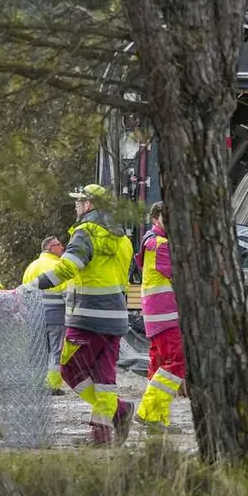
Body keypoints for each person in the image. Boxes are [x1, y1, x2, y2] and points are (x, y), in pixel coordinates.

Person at [30, 184, 135, 446]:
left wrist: (34, 285)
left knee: (69, 370)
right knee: (105, 379)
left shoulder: (85, 232)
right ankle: (101, 436)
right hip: (116, 318)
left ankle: (119, 410)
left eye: (79, 202)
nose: (76, 206)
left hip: (87, 318)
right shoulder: (123, 239)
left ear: (89, 205)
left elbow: (67, 268)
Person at [134, 202, 187, 434]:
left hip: (156, 315)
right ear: (156, 217)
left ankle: (158, 419)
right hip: (166, 315)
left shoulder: (151, 241)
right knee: (176, 363)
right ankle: (148, 412)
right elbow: (180, 275)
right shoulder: (160, 244)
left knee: (158, 366)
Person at [22, 236, 69, 394]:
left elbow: (25, 292)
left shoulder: (31, 266)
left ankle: (36, 383)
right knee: (56, 350)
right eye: (58, 245)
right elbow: (67, 294)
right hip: (56, 315)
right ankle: (53, 386)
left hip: (34, 316)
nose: (62, 247)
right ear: (50, 248)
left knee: (37, 350)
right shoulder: (59, 266)